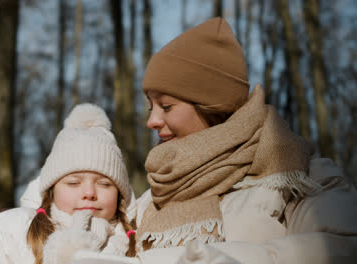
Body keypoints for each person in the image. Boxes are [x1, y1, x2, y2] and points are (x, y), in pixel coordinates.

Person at [133, 17, 357, 263]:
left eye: (165, 106)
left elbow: (342, 246)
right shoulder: (154, 195)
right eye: (150, 107)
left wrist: (216, 259)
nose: (151, 121)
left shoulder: (297, 174)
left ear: (210, 106)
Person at [0, 103, 137, 264]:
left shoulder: (135, 243)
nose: (89, 193)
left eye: (104, 184)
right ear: (52, 189)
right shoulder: (14, 227)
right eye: (73, 183)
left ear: (120, 193)